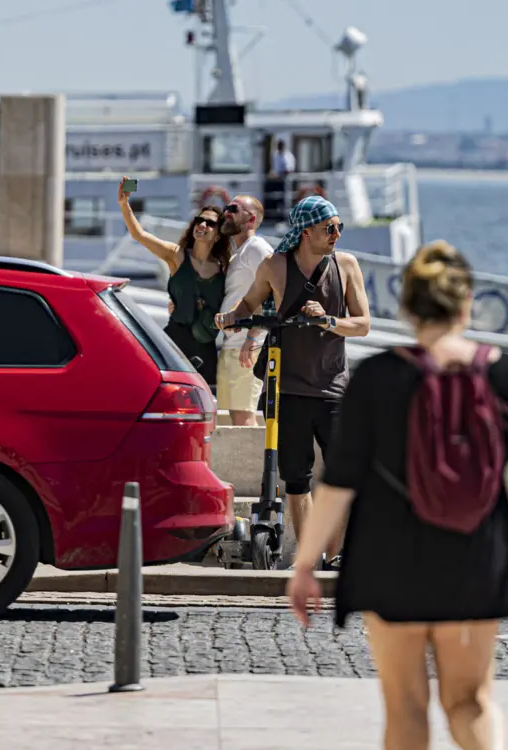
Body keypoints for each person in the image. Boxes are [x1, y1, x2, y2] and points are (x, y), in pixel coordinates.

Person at [287, 240, 508, 750]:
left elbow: (337, 484)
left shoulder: (379, 378)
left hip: (390, 560)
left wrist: (306, 563)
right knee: (471, 699)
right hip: (478, 558)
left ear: (407, 308)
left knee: (405, 704)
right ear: (467, 305)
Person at [215, 195, 370, 565]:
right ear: (305, 232)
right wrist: (231, 317)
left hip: (333, 389)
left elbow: (363, 325)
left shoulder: (346, 265)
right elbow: (250, 304)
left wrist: (328, 321)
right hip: (288, 390)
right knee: (296, 482)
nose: (336, 234)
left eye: (338, 227)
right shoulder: (276, 266)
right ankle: (310, 556)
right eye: (327, 228)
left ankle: (337, 555)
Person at [118, 176, 229, 388]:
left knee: (204, 398)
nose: (202, 225)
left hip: (206, 345)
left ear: (217, 234)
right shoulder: (177, 255)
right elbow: (138, 234)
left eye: (210, 223)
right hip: (174, 342)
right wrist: (125, 205)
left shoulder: (224, 267)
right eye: (199, 220)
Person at [216, 195, 273, 426]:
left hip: (246, 346)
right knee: (234, 417)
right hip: (232, 344)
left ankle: (256, 464)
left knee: (243, 418)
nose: (226, 212)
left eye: (233, 209)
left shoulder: (256, 248)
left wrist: (252, 337)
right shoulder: (238, 253)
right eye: (226, 208)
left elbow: (271, 291)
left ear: (250, 220)